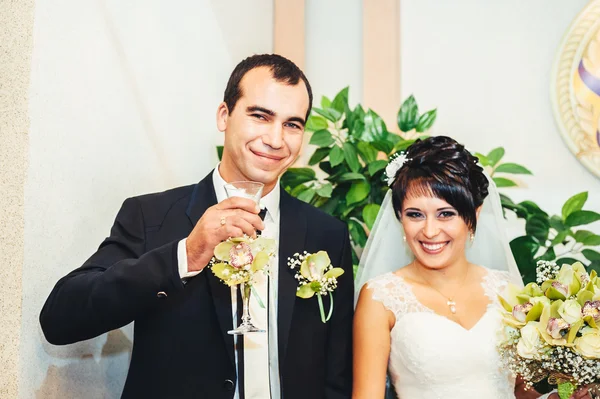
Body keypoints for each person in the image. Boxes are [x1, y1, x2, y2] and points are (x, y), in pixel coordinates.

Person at [40, 54, 353, 399]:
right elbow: (60, 319)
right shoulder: (151, 215)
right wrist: (185, 255)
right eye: (260, 116)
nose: (276, 139)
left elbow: (336, 373)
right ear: (224, 116)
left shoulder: (327, 234)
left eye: (292, 124)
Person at [353, 135, 542, 399]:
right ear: (400, 218)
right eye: (415, 214)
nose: (430, 231)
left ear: (474, 215)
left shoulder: (506, 288)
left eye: (446, 214)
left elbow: (520, 390)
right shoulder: (380, 297)